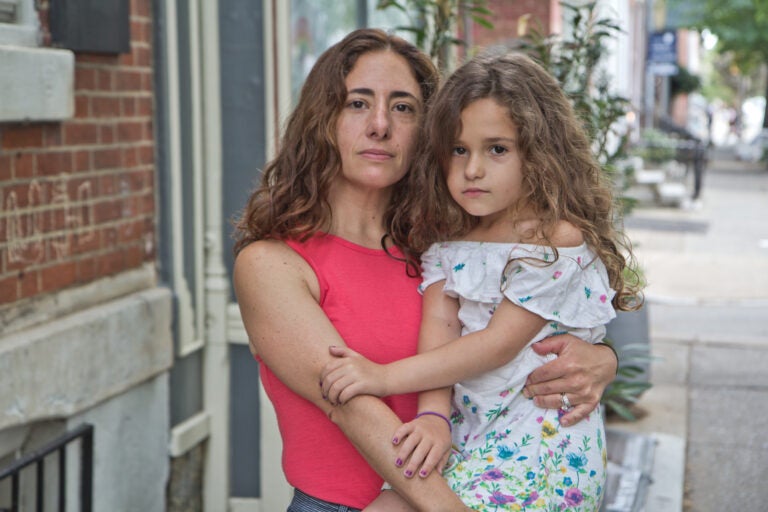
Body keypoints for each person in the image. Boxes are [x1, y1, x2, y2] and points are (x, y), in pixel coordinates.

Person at [233, 29, 620, 512]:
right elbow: (351, 406)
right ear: (321, 119)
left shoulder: (440, 246)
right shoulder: (273, 263)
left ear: (428, 130)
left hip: (487, 483)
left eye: (402, 107)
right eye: (357, 103)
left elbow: (522, 331)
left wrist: (600, 359)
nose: (379, 125)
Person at [320, 51, 643, 511]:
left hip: (540, 445)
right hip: (471, 438)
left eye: (497, 149)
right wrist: (432, 415)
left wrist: (381, 378)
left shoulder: (552, 241)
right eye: (458, 150)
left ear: (538, 154)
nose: (473, 169)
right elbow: (439, 333)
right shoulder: (448, 242)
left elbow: (497, 345)